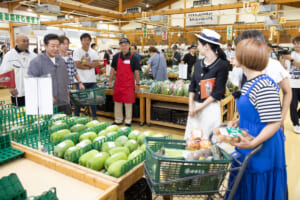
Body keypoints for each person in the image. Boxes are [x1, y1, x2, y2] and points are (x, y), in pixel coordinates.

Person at [227, 38, 286, 200]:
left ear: (246, 58)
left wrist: (253, 143)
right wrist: (238, 121)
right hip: (248, 141)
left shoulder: (264, 85)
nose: (234, 55)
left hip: (262, 147)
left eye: (237, 53)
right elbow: (255, 111)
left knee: (257, 187)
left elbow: (274, 122)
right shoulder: (249, 83)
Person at [230, 30, 292, 130]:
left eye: (239, 50)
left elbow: (287, 92)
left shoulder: (274, 66)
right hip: (249, 124)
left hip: (271, 124)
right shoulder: (238, 68)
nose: (235, 54)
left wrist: (282, 118)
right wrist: (241, 119)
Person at [185, 29, 229, 139]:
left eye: (199, 44)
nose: (197, 47)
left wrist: (198, 109)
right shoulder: (198, 63)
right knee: (192, 141)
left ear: (207, 46)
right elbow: (192, 86)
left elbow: (216, 93)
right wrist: (191, 106)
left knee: (207, 142)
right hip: (194, 108)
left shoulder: (222, 65)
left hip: (210, 109)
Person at [27, 34, 71, 115]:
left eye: (57, 46)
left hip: (64, 103)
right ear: (45, 46)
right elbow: (31, 85)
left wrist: (67, 95)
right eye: (52, 46)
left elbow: (64, 80)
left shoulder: (60, 61)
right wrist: (46, 96)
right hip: (46, 106)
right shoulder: (36, 62)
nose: (55, 49)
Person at [109, 38, 140, 126]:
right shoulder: (116, 57)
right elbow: (112, 70)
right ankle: (118, 120)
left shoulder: (134, 58)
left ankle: (128, 120)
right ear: (120, 46)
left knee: (128, 103)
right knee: (117, 102)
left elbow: (137, 72)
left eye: (125, 45)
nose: (124, 46)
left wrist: (137, 83)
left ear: (129, 46)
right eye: (122, 45)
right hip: (118, 84)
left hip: (129, 84)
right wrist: (110, 81)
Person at [0, 34, 36, 106]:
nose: (26, 43)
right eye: (23, 41)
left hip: (32, 91)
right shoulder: (10, 56)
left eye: (27, 41)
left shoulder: (33, 56)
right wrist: (11, 87)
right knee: (20, 113)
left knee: (33, 111)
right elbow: (3, 73)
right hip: (17, 92)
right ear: (17, 41)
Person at [73, 33, 100, 120]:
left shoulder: (93, 52)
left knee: (93, 100)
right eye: (84, 40)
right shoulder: (77, 51)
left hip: (92, 80)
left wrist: (86, 64)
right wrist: (90, 66)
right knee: (79, 100)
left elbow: (97, 63)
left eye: (88, 40)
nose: (86, 42)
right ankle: (76, 117)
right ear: (81, 41)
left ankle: (94, 117)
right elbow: (77, 65)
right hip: (81, 80)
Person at [282, 36, 300, 133]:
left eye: (298, 43)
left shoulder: (291, 57)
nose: (297, 45)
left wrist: (291, 60)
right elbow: (284, 69)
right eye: (295, 43)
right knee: (293, 105)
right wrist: (284, 60)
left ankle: (297, 116)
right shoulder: (290, 54)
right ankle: (296, 124)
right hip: (292, 84)